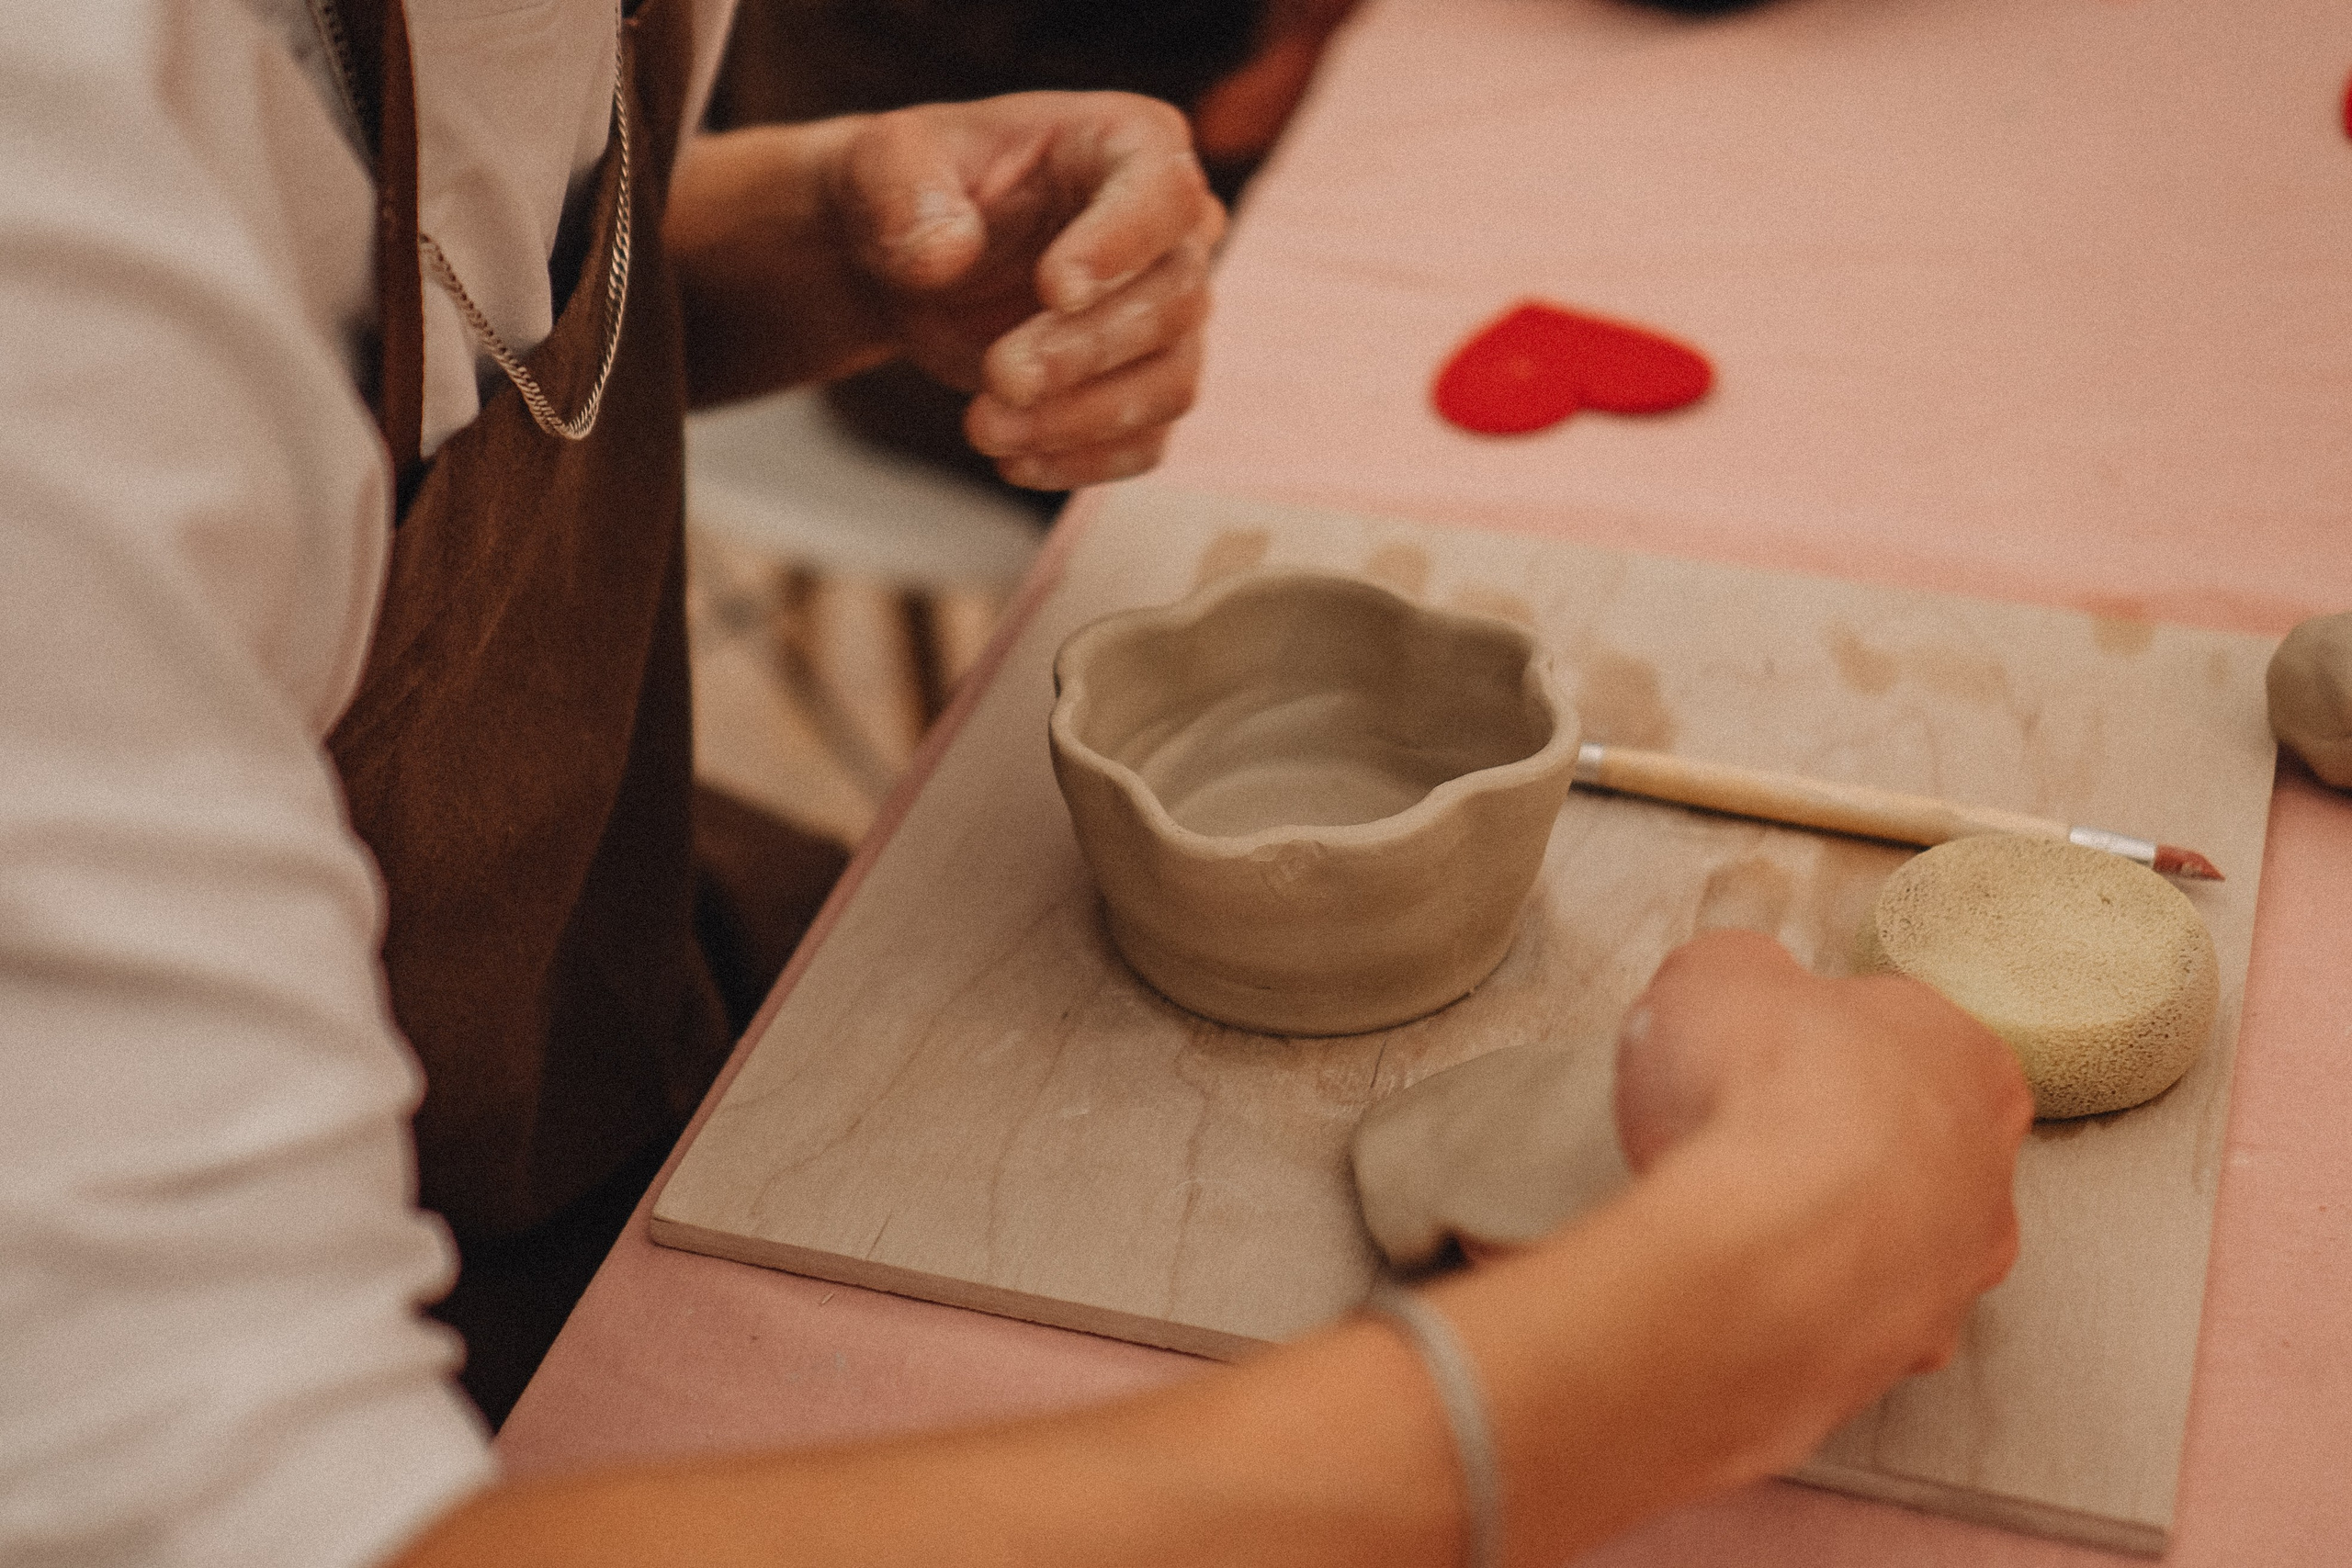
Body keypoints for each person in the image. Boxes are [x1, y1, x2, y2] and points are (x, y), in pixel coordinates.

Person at [0, 1, 2029, 1564]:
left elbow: (358, 314)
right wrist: (1688, 1342)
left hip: (576, 1004)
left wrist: (810, 226)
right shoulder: (56, 188)